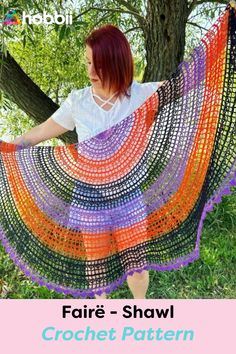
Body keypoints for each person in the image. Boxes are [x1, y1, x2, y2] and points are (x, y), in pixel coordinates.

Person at [11, 24, 165, 299]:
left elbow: (194, 76)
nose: (91, 72)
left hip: (128, 195)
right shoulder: (78, 102)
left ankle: (141, 308)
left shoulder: (142, 96)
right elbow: (38, 133)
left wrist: (228, 26)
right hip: (89, 199)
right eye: (88, 63)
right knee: (97, 267)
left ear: (117, 62)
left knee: (137, 268)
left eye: (99, 65)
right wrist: (8, 147)